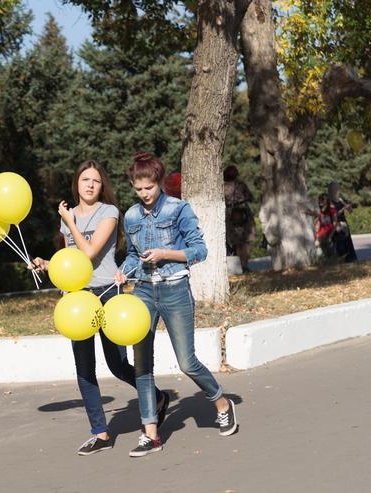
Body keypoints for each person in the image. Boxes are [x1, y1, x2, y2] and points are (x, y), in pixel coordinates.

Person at [30, 160, 169, 456]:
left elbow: (90, 252)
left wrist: (70, 223)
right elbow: (72, 259)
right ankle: (100, 432)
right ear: (76, 184)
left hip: (106, 292)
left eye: (95, 180)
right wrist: (47, 263)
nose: (90, 185)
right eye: (85, 180)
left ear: (102, 185)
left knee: (116, 364)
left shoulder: (109, 212)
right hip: (77, 299)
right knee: (84, 368)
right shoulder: (70, 216)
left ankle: (157, 398)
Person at [114, 152, 238, 458]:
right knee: (142, 365)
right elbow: (133, 254)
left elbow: (199, 250)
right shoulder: (130, 216)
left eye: (149, 188)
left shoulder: (178, 209)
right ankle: (150, 433)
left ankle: (221, 402)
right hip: (142, 291)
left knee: (187, 361)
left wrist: (164, 254)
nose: (144, 194)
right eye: (138, 188)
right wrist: (123, 270)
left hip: (175, 290)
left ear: (159, 182)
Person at [223, 166, 256, 270]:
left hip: (230, 215)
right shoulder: (240, 185)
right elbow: (251, 197)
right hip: (244, 214)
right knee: (245, 241)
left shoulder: (222, 187)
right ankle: (245, 265)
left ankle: (238, 266)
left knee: (236, 242)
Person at [328, 182, 358, 262]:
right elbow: (334, 213)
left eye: (338, 188)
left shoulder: (340, 200)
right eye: (336, 189)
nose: (338, 190)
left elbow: (350, 211)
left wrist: (349, 207)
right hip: (336, 223)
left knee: (347, 241)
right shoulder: (330, 201)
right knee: (340, 242)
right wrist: (343, 209)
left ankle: (350, 259)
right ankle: (341, 259)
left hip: (343, 222)